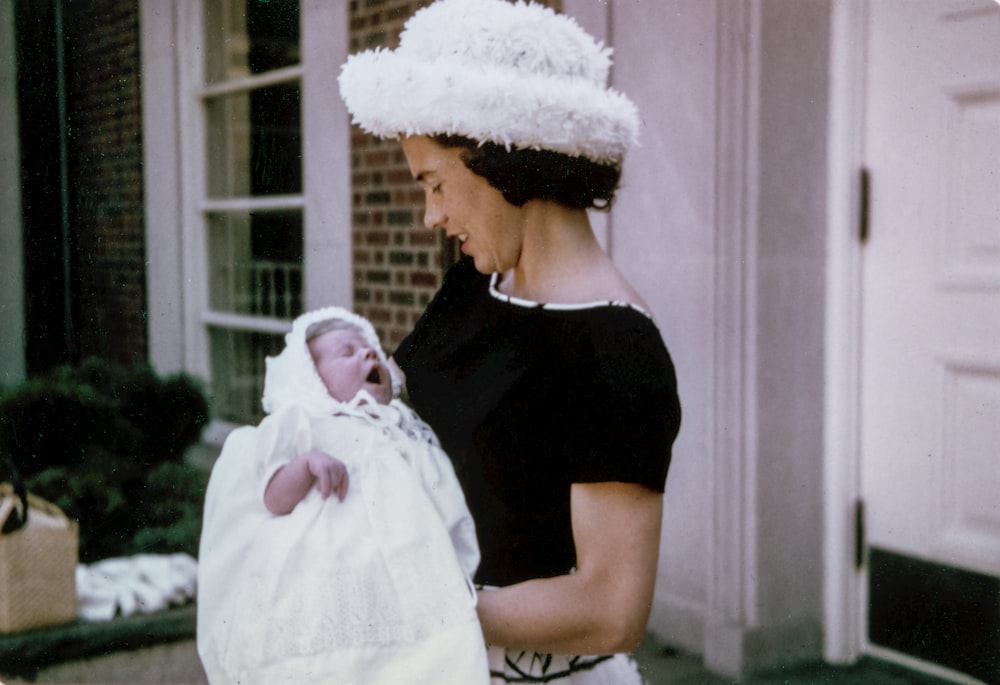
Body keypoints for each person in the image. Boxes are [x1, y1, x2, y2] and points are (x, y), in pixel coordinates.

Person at [338, 0, 683, 683]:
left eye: (435, 184)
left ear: (500, 155)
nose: (431, 214)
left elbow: (611, 606)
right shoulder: (478, 280)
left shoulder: (617, 350)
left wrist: (414, 611)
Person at [196, 306, 489, 685]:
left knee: (410, 656)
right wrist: (305, 465)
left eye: (371, 349)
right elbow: (272, 499)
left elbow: (441, 497)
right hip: (322, 569)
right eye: (347, 352)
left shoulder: (400, 428)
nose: (369, 354)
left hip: (397, 561)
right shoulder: (305, 423)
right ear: (310, 379)